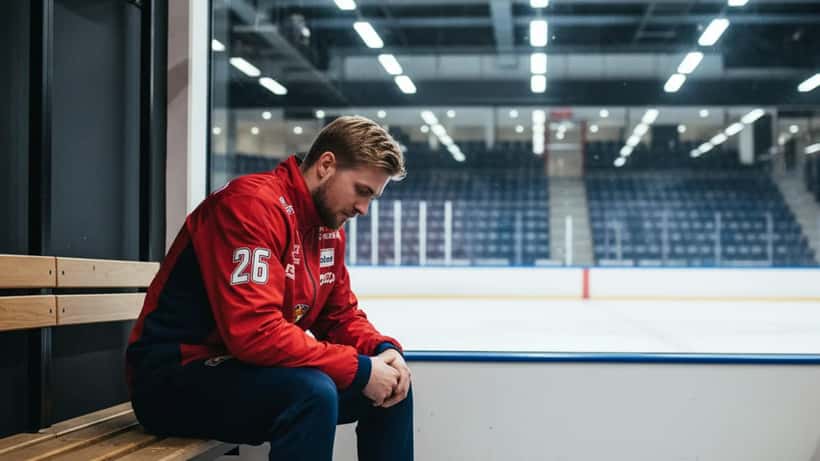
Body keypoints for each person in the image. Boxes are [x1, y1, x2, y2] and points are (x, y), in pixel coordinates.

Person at [126, 116, 413, 461]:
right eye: (362, 191)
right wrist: (361, 368)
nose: (364, 209)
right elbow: (256, 333)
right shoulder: (250, 206)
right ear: (326, 165)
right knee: (313, 393)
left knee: (395, 386)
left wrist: (381, 349)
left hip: (240, 369)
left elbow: (340, 316)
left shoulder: (327, 228)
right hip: (172, 378)